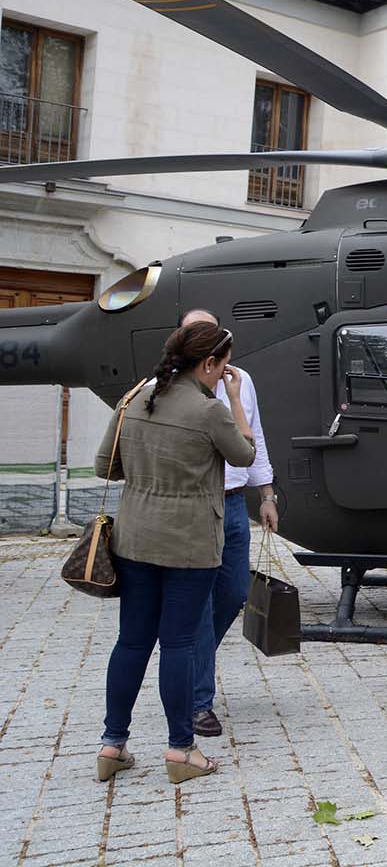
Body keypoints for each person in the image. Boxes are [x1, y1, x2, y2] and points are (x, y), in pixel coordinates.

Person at [94, 322, 255, 784]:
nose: (224, 374)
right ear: (209, 363)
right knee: (180, 645)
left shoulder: (133, 399)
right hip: (190, 544)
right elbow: (244, 455)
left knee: (131, 641)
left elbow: (105, 466)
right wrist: (236, 400)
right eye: (223, 366)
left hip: (134, 539)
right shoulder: (209, 411)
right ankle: (181, 751)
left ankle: (112, 745)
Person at [173, 309, 278, 740]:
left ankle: (187, 659)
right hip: (196, 505)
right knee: (198, 606)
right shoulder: (171, 385)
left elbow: (255, 437)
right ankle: (199, 702)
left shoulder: (240, 380)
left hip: (234, 502)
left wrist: (267, 494)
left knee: (234, 592)